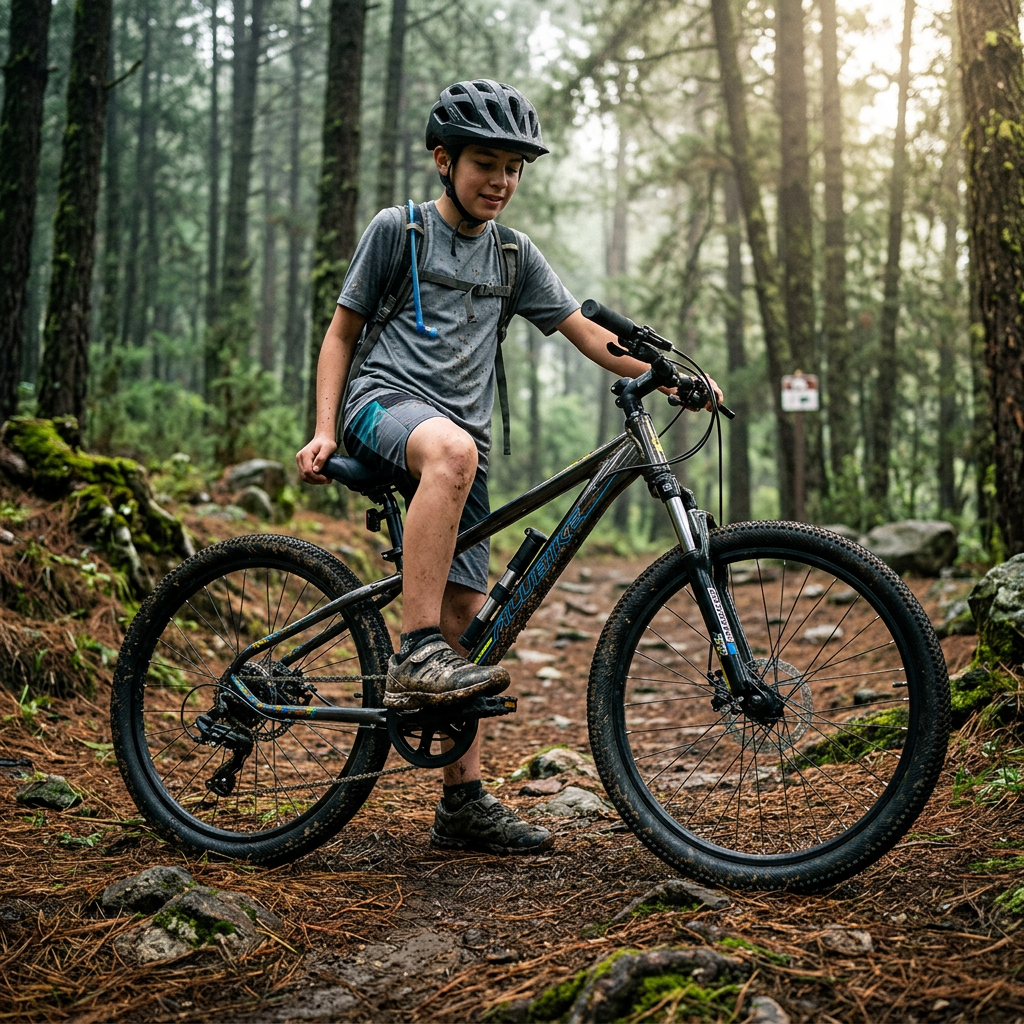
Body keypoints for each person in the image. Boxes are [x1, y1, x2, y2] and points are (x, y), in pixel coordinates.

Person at [297, 79, 720, 856]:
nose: (500, 180)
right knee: (452, 459)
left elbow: (585, 331)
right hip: (382, 405)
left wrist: (663, 374)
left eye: (513, 168)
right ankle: (411, 652)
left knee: (471, 620)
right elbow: (340, 332)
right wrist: (325, 429)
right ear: (442, 161)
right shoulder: (400, 232)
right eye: (484, 163)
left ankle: (462, 804)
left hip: (458, 447)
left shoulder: (514, 255)